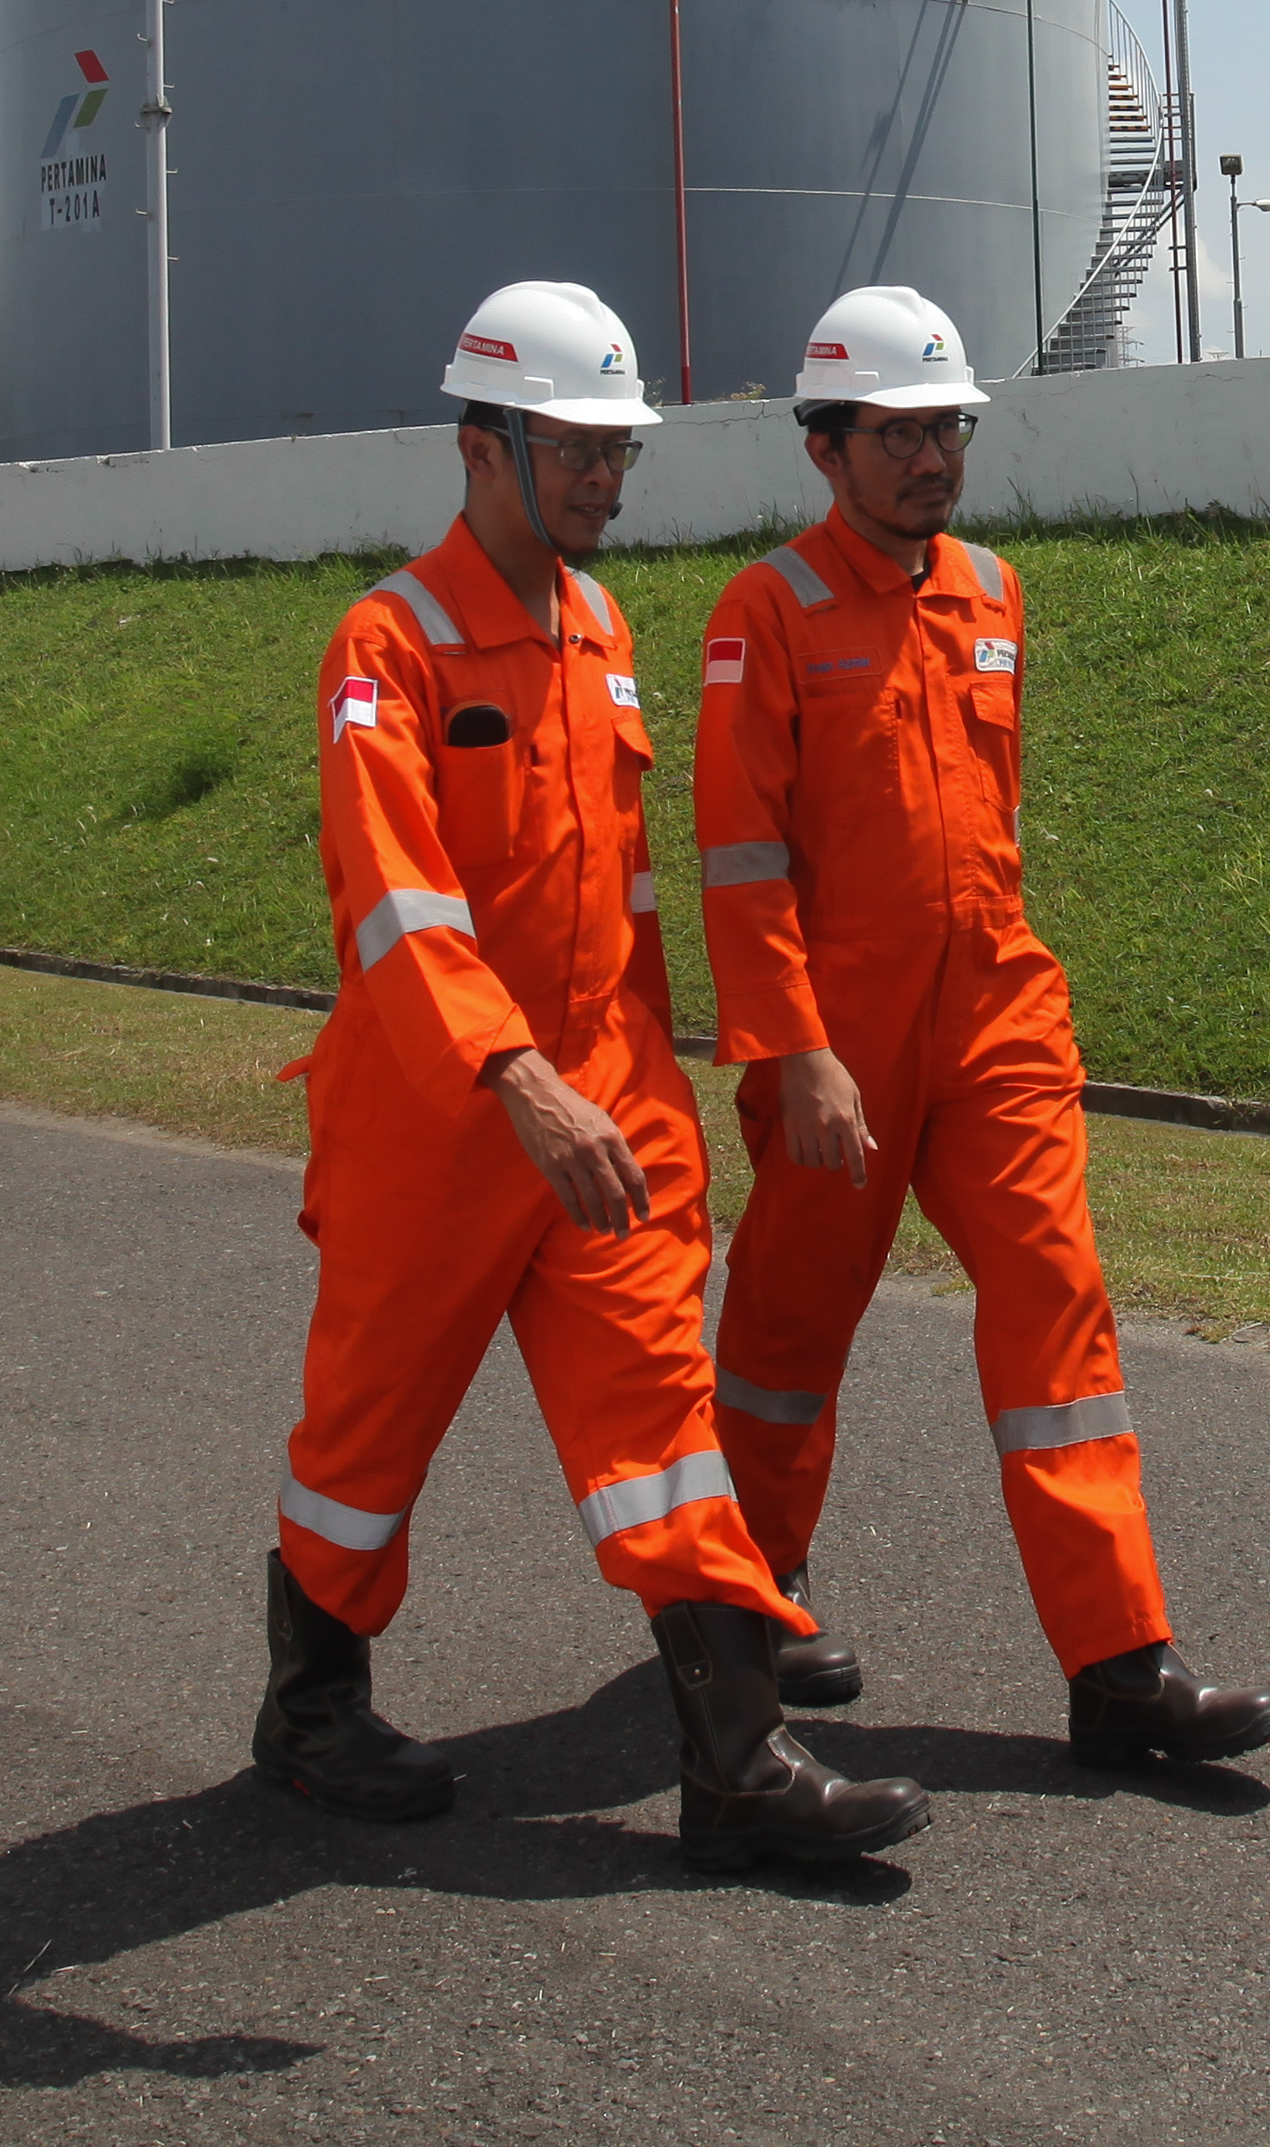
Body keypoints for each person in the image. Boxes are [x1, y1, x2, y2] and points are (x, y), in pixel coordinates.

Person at [259, 279, 923, 1874]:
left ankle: (737, 1762)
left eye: (620, 453)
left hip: (601, 1117)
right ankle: (309, 1706)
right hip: (443, 1123)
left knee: (661, 1424)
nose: (608, 483)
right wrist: (513, 1077)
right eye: (578, 452)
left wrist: (638, 1097)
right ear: (479, 445)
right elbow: (395, 902)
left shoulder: (601, 626)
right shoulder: (388, 643)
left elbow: (613, 898)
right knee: (363, 1439)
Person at [693, 287, 1270, 1771]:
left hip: (996, 1018)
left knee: (1058, 1304)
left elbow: (990, 820)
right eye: (896, 433)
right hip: (840, 1036)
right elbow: (737, 854)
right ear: (824, 448)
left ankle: (1120, 1660)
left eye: (946, 428)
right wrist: (794, 1044)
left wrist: (1006, 982)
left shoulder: (995, 594)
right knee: (786, 1329)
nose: (928, 459)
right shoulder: (763, 611)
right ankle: (754, 1592)